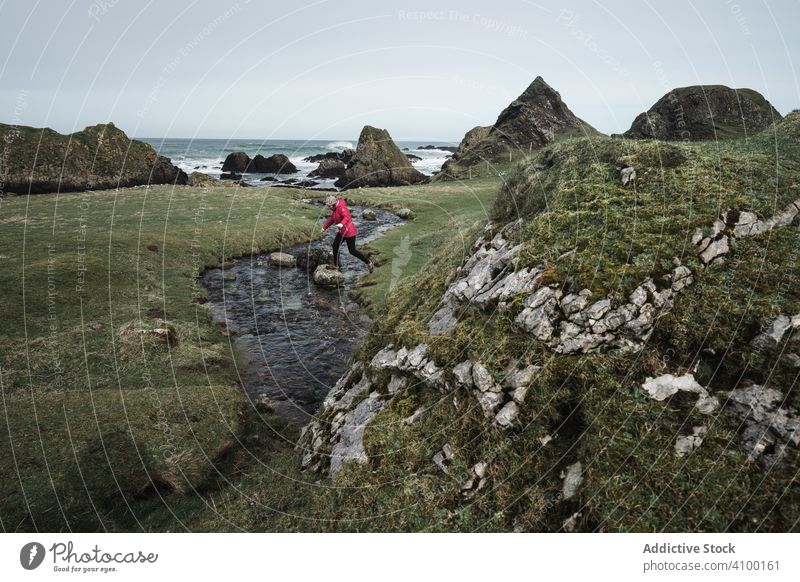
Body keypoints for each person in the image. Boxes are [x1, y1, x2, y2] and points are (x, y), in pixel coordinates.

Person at [322, 194, 374, 273]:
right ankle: (336, 266)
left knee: (352, 251)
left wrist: (342, 223)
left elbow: (346, 217)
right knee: (335, 246)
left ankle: (368, 262)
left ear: (334, 204)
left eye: (330, 206)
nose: (329, 208)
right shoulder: (335, 210)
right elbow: (332, 219)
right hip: (342, 232)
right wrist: (324, 227)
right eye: (328, 206)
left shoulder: (342, 208)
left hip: (349, 232)